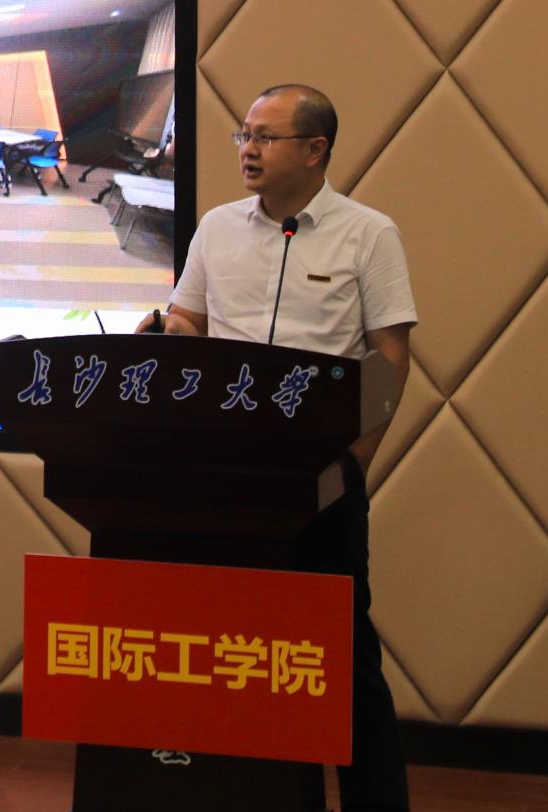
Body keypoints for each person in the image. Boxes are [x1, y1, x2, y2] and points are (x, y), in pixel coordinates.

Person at [137, 84, 417, 811]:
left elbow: (389, 358)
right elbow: (189, 321)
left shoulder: (369, 234)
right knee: (233, 649)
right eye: (244, 135)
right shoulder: (216, 228)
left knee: (343, 659)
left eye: (266, 137)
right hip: (225, 479)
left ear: (315, 150)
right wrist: (165, 334)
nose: (248, 150)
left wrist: (354, 465)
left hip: (322, 478)